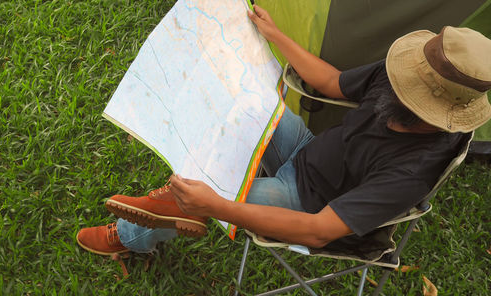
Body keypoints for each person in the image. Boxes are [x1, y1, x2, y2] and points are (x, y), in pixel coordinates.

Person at [76, 5, 491, 256]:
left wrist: (217, 207)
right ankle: (183, 200)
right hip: (308, 151)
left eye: (411, 88)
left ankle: (132, 237)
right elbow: (331, 82)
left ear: (433, 111)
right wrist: (276, 35)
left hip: (308, 203)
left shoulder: (413, 172)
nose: (400, 80)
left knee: (201, 196)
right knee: (245, 105)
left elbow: (320, 230)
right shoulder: (402, 74)